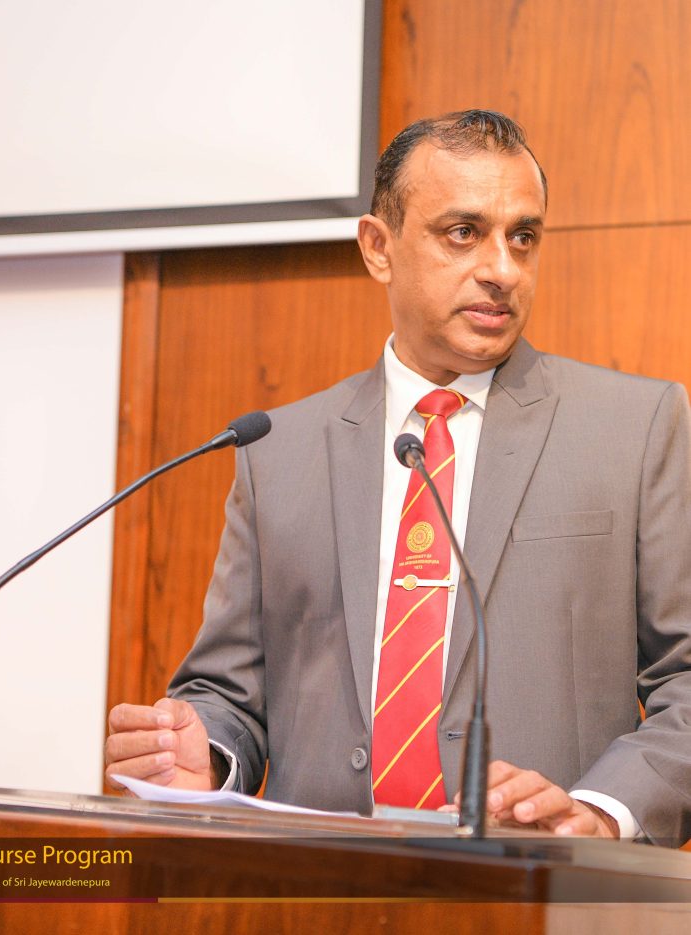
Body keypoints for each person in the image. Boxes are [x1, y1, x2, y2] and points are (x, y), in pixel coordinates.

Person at [105, 110, 691, 846]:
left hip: (540, 887)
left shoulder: (634, 428)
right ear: (378, 248)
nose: (504, 269)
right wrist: (210, 753)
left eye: (523, 237)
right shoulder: (278, 450)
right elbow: (229, 692)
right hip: (319, 887)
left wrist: (600, 811)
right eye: (463, 232)